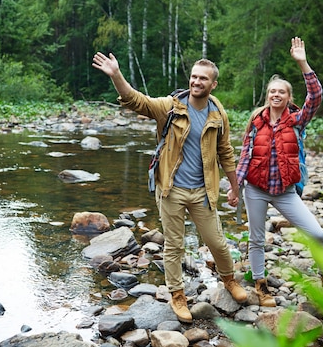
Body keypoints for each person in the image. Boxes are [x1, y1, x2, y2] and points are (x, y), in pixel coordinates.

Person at [92, 52, 247, 323]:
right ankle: (177, 295)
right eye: (194, 76)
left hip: (202, 191)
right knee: (174, 245)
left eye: (203, 78)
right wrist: (116, 75)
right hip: (171, 189)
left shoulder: (217, 111)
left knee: (218, 244)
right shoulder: (171, 106)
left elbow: (225, 151)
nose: (197, 81)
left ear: (213, 84)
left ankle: (229, 280)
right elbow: (135, 100)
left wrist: (234, 188)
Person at [236, 37, 323, 307]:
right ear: (268, 95)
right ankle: (261, 285)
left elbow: (316, 97)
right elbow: (245, 156)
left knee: (317, 234)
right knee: (256, 239)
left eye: (282, 92)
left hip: (286, 192)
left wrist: (302, 62)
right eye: (272, 91)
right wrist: (234, 187)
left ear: (288, 97)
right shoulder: (256, 120)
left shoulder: (297, 120)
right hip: (255, 189)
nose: (276, 95)